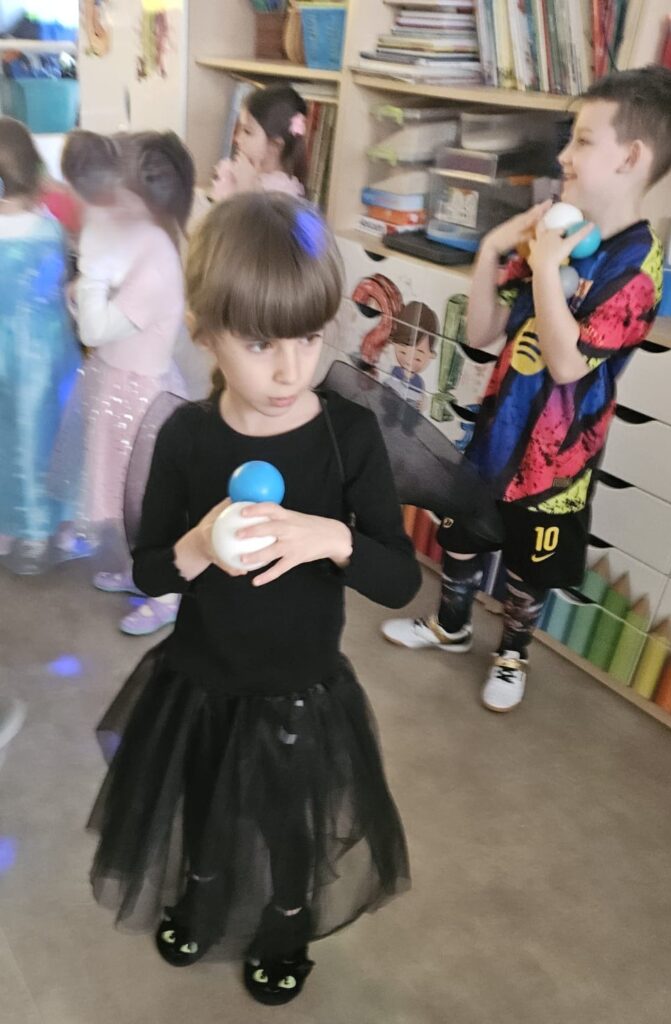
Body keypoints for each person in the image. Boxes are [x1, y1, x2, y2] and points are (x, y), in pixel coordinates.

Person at [87, 193, 420, 1005]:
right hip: (200, 678)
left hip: (300, 684)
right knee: (203, 805)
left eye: (309, 337)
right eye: (261, 342)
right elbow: (152, 573)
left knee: (287, 818)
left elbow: (401, 579)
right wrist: (198, 546)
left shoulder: (347, 437)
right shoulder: (187, 437)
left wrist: (331, 537)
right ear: (203, 331)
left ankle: (286, 920)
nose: (290, 370)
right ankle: (202, 893)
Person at [382, 66, 671, 713]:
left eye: (583, 140)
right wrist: (494, 247)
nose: (564, 156)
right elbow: (486, 328)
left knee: (532, 565)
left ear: (631, 157)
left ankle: (513, 653)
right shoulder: (556, 229)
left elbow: (568, 364)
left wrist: (548, 265)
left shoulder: (639, 268)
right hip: (497, 434)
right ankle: (451, 625)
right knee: (462, 535)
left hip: (556, 466)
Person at [51, 128, 194, 635]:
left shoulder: (155, 261)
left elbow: (95, 327)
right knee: (122, 497)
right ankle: (141, 572)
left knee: (149, 504)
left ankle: (167, 593)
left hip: (141, 401)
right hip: (116, 387)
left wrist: (88, 275)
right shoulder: (137, 243)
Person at [0, 117, 81, 575]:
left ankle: (11, 525)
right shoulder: (48, 228)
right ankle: (47, 525)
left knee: (8, 438)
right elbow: (59, 283)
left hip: (5, 352)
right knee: (46, 436)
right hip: (46, 351)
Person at [211, 83, 307, 202]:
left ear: (275, 145)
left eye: (247, 131)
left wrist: (246, 188)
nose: (237, 139)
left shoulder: (283, 196)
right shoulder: (234, 175)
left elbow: (254, 213)